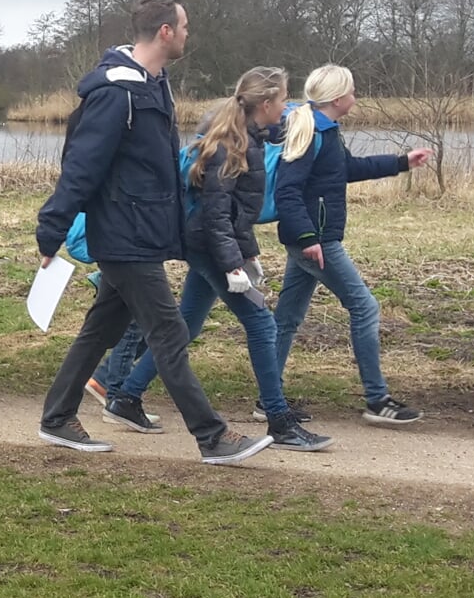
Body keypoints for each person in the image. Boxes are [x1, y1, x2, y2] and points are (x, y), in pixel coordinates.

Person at [32, 0, 272, 466]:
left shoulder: (153, 85)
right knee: (169, 331)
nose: (187, 34)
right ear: (165, 31)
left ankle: (57, 417)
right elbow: (80, 168)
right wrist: (51, 231)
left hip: (142, 232)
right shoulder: (115, 93)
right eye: (183, 26)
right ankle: (212, 436)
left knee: (99, 330)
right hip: (123, 236)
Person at [106, 67, 334, 451]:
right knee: (262, 324)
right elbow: (215, 216)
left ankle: (127, 397)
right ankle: (279, 422)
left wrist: (248, 256)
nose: (286, 106)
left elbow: (236, 213)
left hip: (216, 243)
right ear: (264, 103)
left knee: (186, 325)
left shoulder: (253, 136)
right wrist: (233, 264)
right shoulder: (230, 146)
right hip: (209, 245)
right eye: (282, 99)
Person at [273, 64, 433, 426]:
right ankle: (377, 400)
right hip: (317, 241)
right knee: (365, 307)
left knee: (286, 319)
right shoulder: (311, 131)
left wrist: (401, 162)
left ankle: (269, 397)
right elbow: (287, 190)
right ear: (337, 98)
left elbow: (346, 169)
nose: (355, 97)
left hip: (312, 240)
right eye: (352, 91)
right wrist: (308, 238)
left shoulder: (325, 131)